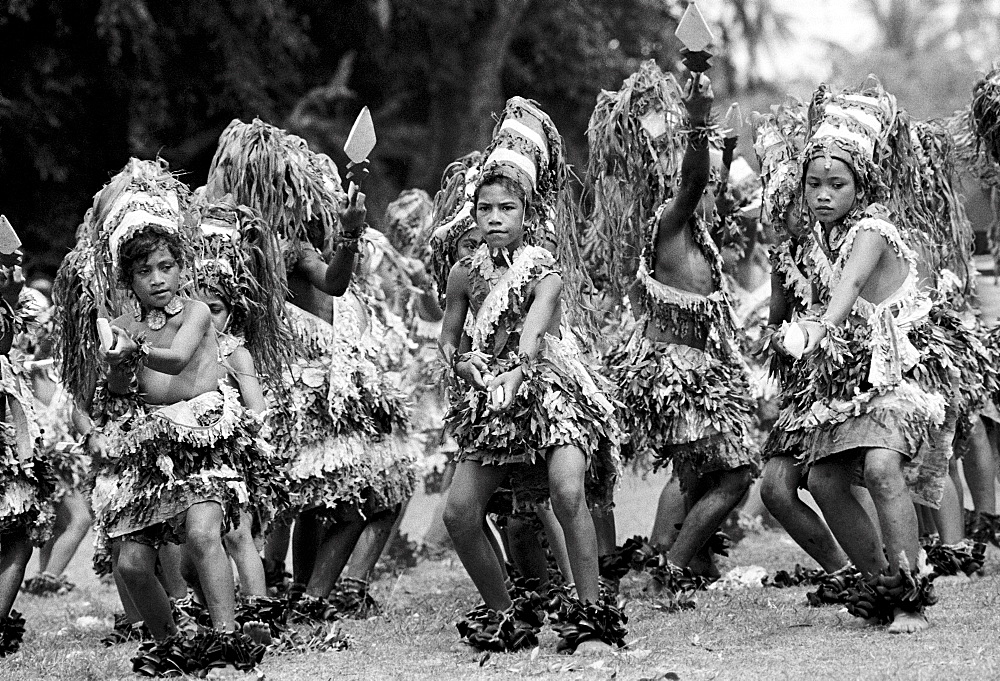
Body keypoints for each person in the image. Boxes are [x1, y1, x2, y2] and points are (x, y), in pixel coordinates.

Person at [440, 97, 624, 654]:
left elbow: (533, 335)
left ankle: (592, 616)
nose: (495, 218)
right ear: (474, 213)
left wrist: (515, 373)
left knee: (568, 493)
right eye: (486, 208)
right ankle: (506, 616)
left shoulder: (545, 270)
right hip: (490, 392)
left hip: (549, 388)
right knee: (458, 513)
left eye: (507, 209)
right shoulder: (462, 273)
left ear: (528, 214)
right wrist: (462, 361)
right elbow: (449, 336)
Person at [782, 81, 953, 634]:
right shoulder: (817, 241)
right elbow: (823, 290)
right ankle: (882, 582)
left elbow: (849, 288)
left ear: (862, 186)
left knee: (881, 468)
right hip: (853, 379)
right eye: (814, 184)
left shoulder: (872, 232)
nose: (824, 195)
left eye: (837, 184)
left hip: (902, 371)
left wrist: (818, 326)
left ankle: (909, 597)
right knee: (825, 480)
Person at [91, 159, 267, 673]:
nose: (157, 279)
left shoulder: (196, 312)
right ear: (129, 279)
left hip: (202, 437)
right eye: (144, 272)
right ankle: (172, 642)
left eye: (166, 267)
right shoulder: (121, 323)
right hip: (150, 447)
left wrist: (132, 346)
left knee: (204, 533)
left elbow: (176, 358)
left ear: (182, 268)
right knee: (131, 561)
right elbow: (120, 391)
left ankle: (227, 635)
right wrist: (115, 362)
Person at [594, 65, 759, 577]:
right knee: (734, 477)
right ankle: (675, 564)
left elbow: (716, 197)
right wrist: (697, 119)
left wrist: (722, 152)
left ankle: (670, 553)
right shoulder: (671, 219)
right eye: (712, 181)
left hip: (696, 370)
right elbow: (693, 179)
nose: (717, 189)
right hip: (678, 375)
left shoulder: (696, 234)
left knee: (695, 476)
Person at [0, 225, 55, 655]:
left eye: (20, 260)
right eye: (9, 260)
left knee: (19, 523)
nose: (18, 268)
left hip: (12, 427)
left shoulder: (17, 307)